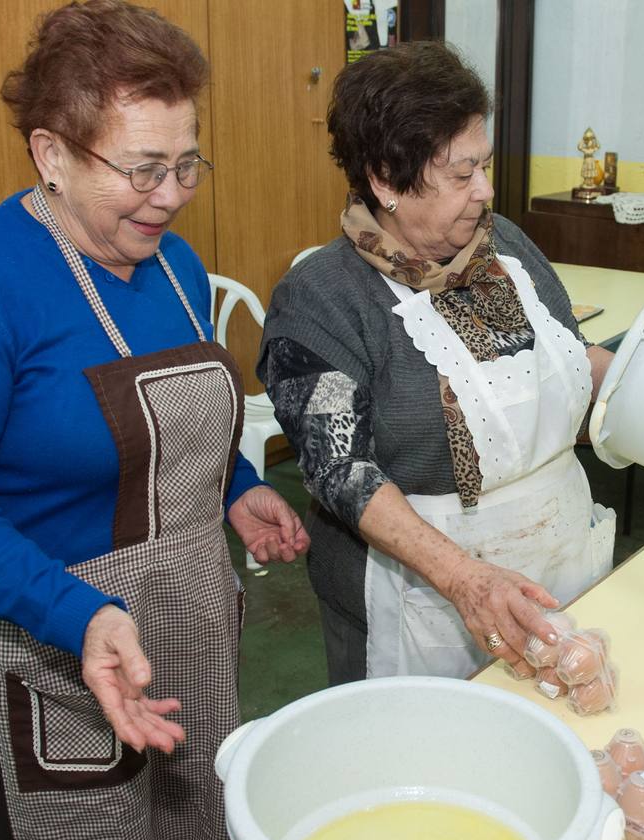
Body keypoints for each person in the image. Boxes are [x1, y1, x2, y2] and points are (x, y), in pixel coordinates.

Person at [0, 2, 309, 840]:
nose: (171, 193)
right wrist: (80, 616)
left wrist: (232, 485)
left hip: (186, 629)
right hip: (48, 648)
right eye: (143, 169)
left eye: (186, 162)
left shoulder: (173, 263)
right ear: (51, 156)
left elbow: (170, 424)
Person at [258, 41, 616, 686]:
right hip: (423, 596)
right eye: (460, 174)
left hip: (561, 553)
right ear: (386, 181)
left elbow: (568, 354)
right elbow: (340, 473)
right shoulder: (322, 297)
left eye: (483, 164)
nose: (485, 188)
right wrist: (466, 580)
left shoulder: (505, 245)